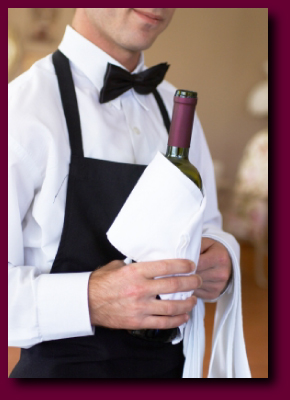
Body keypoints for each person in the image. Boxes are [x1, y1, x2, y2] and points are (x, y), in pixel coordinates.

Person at [8, 9, 234, 378]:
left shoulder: (178, 110)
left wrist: (223, 259)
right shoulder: (18, 111)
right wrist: (89, 300)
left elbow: (208, 226)